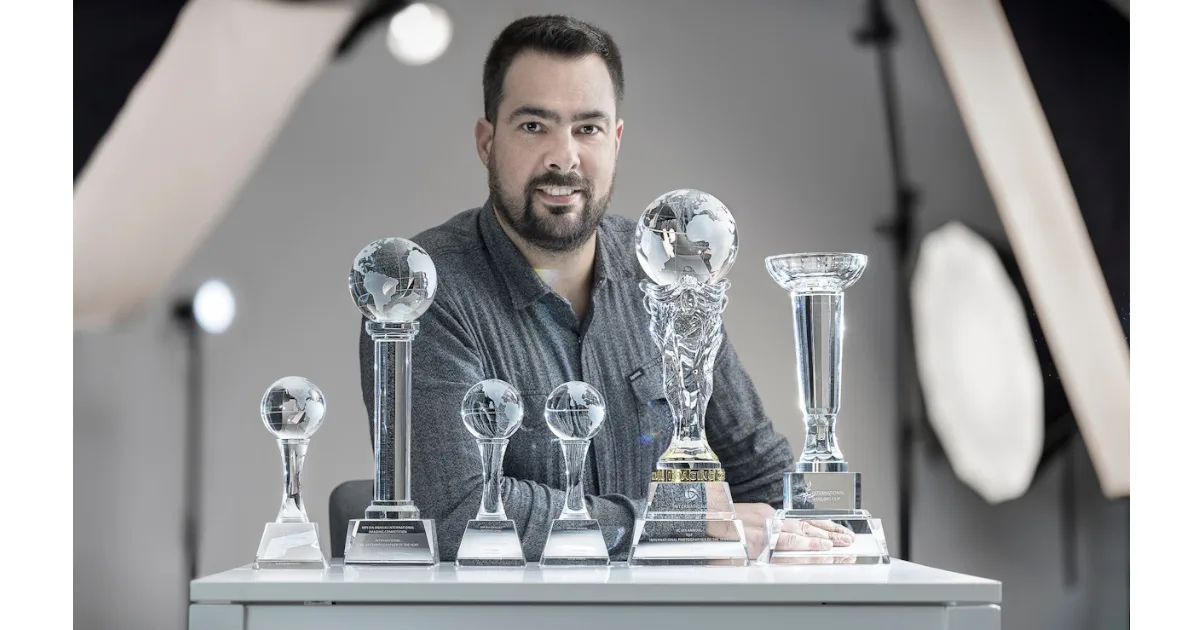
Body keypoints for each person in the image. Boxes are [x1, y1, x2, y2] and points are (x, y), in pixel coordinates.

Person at [358, 14, 854, 562]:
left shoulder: (667, 266)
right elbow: (456, 514)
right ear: (486, 141)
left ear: (615, 141)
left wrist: (816, 530)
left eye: (587, 128)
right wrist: (672, 524)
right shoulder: (422, 291)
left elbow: (758, 470)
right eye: (533, 126)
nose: (563, 157)